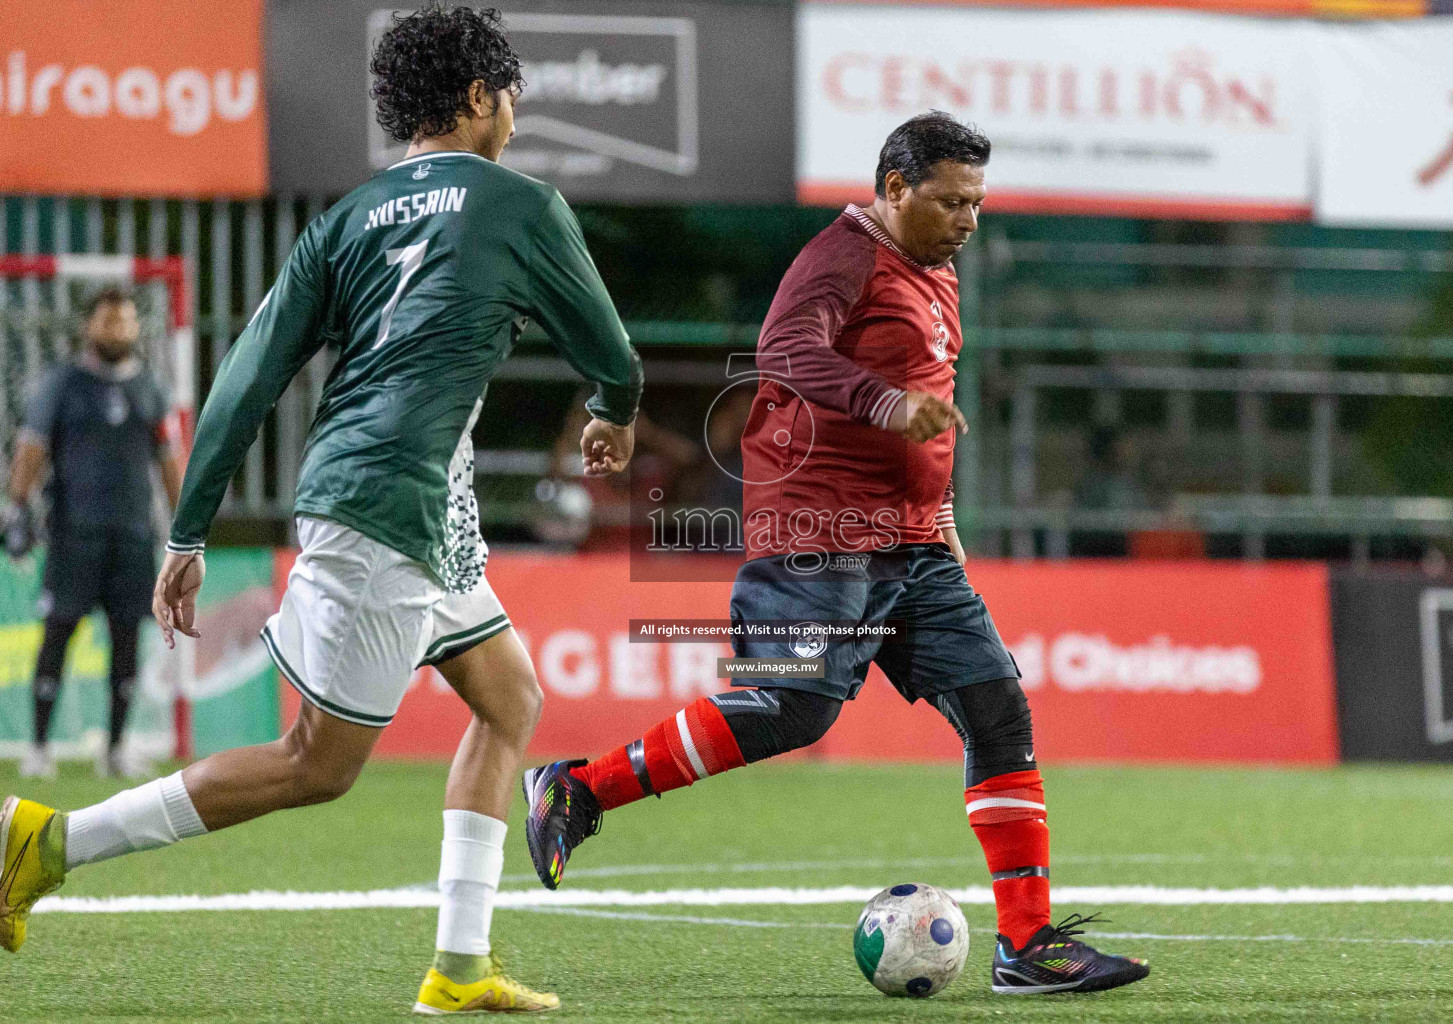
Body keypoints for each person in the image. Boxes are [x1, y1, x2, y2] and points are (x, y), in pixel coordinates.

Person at [1, 5, 643, 1014]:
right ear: (477, 97)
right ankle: (45, 842)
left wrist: (191, 529)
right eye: (510, 92)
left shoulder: (342, 221)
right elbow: (613, 356)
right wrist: (612, 415)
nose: (515, 114)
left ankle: (459, 966)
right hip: (395, 508)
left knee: (510, 696)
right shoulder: (523, 207)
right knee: (316, 764)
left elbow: (246, 378)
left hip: (396, 505)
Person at [523, 112, 1150, 996]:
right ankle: (578, 786)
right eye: (951, 201)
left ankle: (1027, 943)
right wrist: (884, 406)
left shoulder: (938, 271)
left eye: (977, 202)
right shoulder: (843, 255)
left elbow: (932, 397)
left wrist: (945, 516)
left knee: (998, 708)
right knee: (791, 709)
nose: (969, 219)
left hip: (916, 545)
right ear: (895, 189)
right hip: (819, 535)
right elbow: (784, 351)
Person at [3, 288, 183, 780]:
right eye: (108, 322)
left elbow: (169, 462)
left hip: (132, 536)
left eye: (125, 322)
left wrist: (187, 524)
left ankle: (117, 748)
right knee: (57, 635)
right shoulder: (63, 384)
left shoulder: (150, 388)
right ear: (89, 326)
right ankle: (39, 748)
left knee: (127, 639)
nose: (117, 330)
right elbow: (32, 449)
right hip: (72, 533)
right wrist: (15, 509)